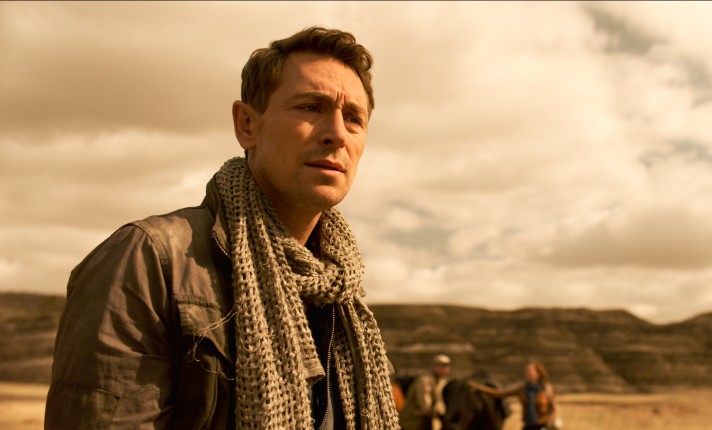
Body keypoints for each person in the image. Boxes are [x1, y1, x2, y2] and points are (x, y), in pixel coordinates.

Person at [44, 26, 400, 429]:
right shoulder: (150, 260)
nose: (336, 134)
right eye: (310, 107)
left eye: (353, 119)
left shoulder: (340, 290)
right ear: (246, 124)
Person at [469, 361, 559, 430]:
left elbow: (554, 408)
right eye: (526, 371)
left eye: (529, 371)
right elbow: (500, 393)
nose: (526, 373)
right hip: (528, 426)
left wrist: (550, 424)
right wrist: (480, 387)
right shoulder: (522, 389)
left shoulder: (547, 389)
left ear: (538, 373)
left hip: (543, 426)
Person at [399, 354, 452, 430]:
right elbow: (426, 407)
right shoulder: (424, 381)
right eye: (442, 366)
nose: (446, 369)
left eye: (447, 366)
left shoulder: (442, 382)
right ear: (434, 366)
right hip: (412, 423)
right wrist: (442, 415)